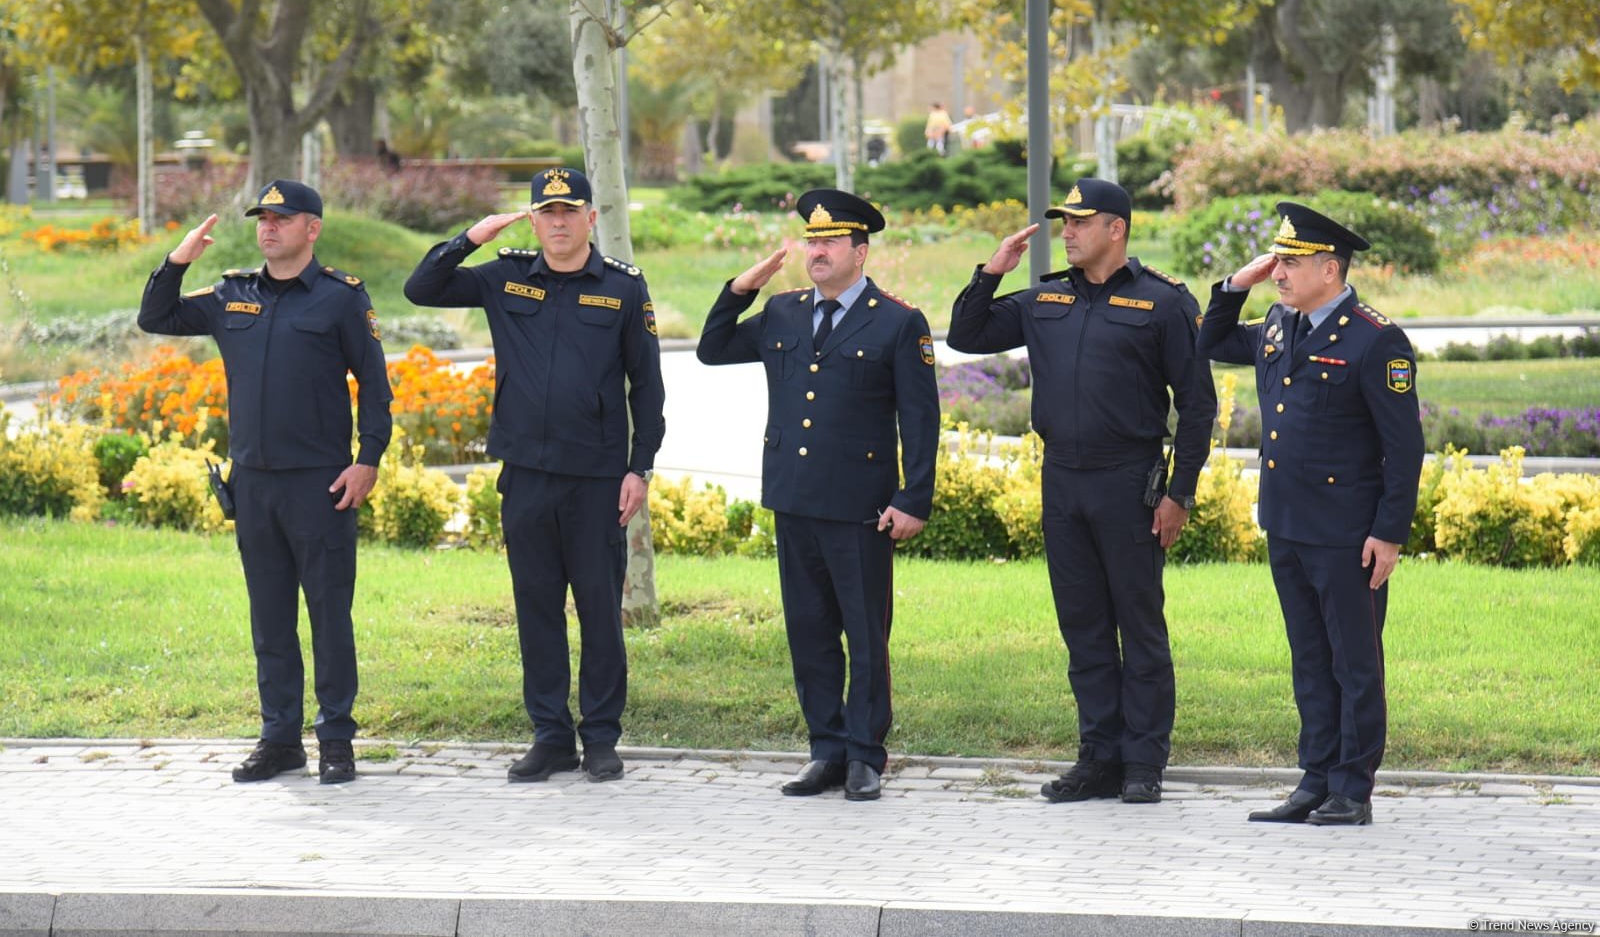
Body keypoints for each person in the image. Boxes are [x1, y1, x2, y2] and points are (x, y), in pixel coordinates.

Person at [947, 178, 1216, 806]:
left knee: (1139, 625)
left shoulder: (1165, 303)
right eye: (1063, 222)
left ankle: (1143, 762)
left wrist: (1179, 494)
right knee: (1084, 627)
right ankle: (1099, 758)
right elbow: (966, 334)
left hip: (1129, 481)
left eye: (1079, 222)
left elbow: (1197, 405)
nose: (1066, 232)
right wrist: (992, 272)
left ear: (1115, 230)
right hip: (1062, 479)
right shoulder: (1046, 298)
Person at [404, 167, 665, 785]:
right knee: (537, 610)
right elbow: (422, 288)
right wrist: (474, 237)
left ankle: (600, 737)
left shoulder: (623, 287)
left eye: (570, 211)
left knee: (599, 613)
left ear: (591, 218)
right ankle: (550, 737)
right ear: (532, 220)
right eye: (546, 212)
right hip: (525, 476)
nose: (558, 222)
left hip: (597, 480)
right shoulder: (506, 277)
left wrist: (640, 467)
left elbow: (648, 385)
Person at [137, 180, 393, 785]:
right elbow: (155, 317)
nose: (269, 227)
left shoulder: (341, 298)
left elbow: (376, 386)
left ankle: (336, 740)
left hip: (321, 485)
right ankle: (280, 740)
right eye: (263, 218)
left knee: (329, 617)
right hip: (252, 483)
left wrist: (368, 460)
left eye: (282, 218)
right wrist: (178, 261)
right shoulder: (232, 293)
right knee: (270, 620)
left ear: (313, 228)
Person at [696, 189, 939, 802]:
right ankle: (825, 750)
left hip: (860, 507)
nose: (817, 251)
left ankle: (865, 755)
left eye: (830, 242)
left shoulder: (897, 321)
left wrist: (913, 497)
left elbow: (921, 418)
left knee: (865, 635)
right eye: (811, 241)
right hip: (795, 498)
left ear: (861, 252)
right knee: (808, 631)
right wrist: (740, 289)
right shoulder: (782, 312)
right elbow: (712, 349)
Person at [1197, 202, 1424, 826]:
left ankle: (1352, 788)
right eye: (1277, 262)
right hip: (1288, 522)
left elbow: (1405, 447)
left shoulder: (1375, 339)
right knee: (1309, 660)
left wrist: (1389, 533)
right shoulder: (1278, 323)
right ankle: (1316, 777)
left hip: (1348, 533)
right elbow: (1210, 340)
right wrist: (1234, 285)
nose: (1279, 273)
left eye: (1290, 264)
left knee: (1354, 664)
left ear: (1330, 268)